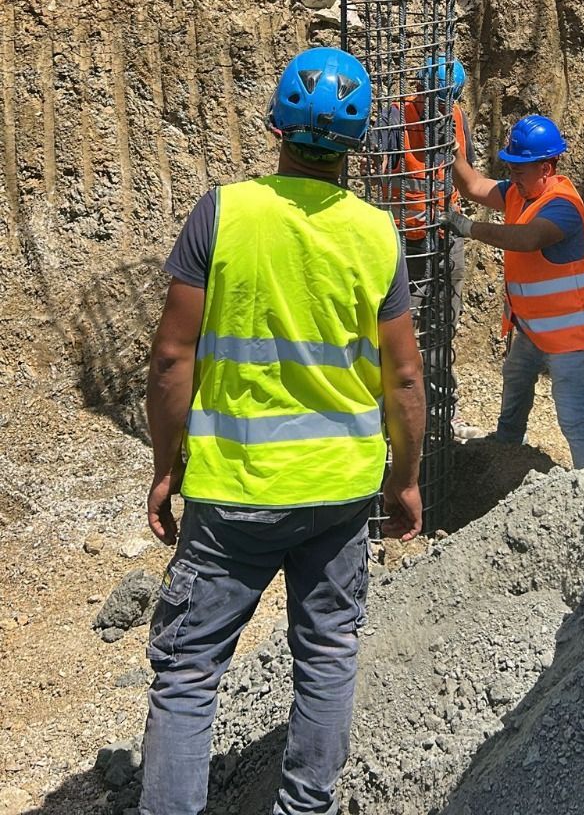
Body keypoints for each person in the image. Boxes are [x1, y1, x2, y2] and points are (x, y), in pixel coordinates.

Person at [140, 46, 425, 815]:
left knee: (191, 671)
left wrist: (167, 466)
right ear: (357, 148)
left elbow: (173, 357)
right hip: (338, 492)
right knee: (328, 655)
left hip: (233, 494)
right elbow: (402, 377)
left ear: (276, 126)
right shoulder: (377, 234)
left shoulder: (223, 213)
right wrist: (404, 478)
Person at [444, 113, 584, 469]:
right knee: (516, 379)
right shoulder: (519, 193)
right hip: (535, 331)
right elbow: (472, 184)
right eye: (512, 166)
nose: (513, 175)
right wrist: (452, 148)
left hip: (573, 342)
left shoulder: (562, 206)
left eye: (521, 168)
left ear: (546, 168)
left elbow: (527, 238)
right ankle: (505, 449)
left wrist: (470, 228)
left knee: (574, 419)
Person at [378, 56, 478, 434]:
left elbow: (463, 172)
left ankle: (439, 411)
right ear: (421, 89)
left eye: (448, 100)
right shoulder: (396, 116)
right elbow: (375, 167)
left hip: (445, 234)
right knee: (400, 324)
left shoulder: (455, 116)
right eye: (435, 100)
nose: (442, 109)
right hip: (404, 238)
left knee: (442, 322)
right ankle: (388, 412)